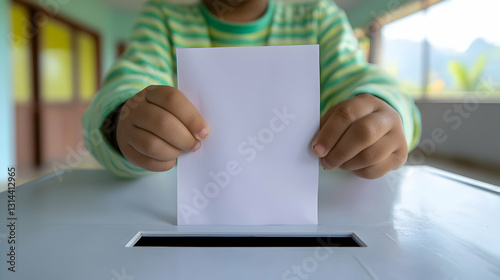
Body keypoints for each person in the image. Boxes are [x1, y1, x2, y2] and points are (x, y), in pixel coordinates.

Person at [82, 0, 421, 179]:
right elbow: (128, 82)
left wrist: (381, 108)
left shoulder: (319, 17)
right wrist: (121, 123)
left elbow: (357, 77)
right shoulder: (162, 18)